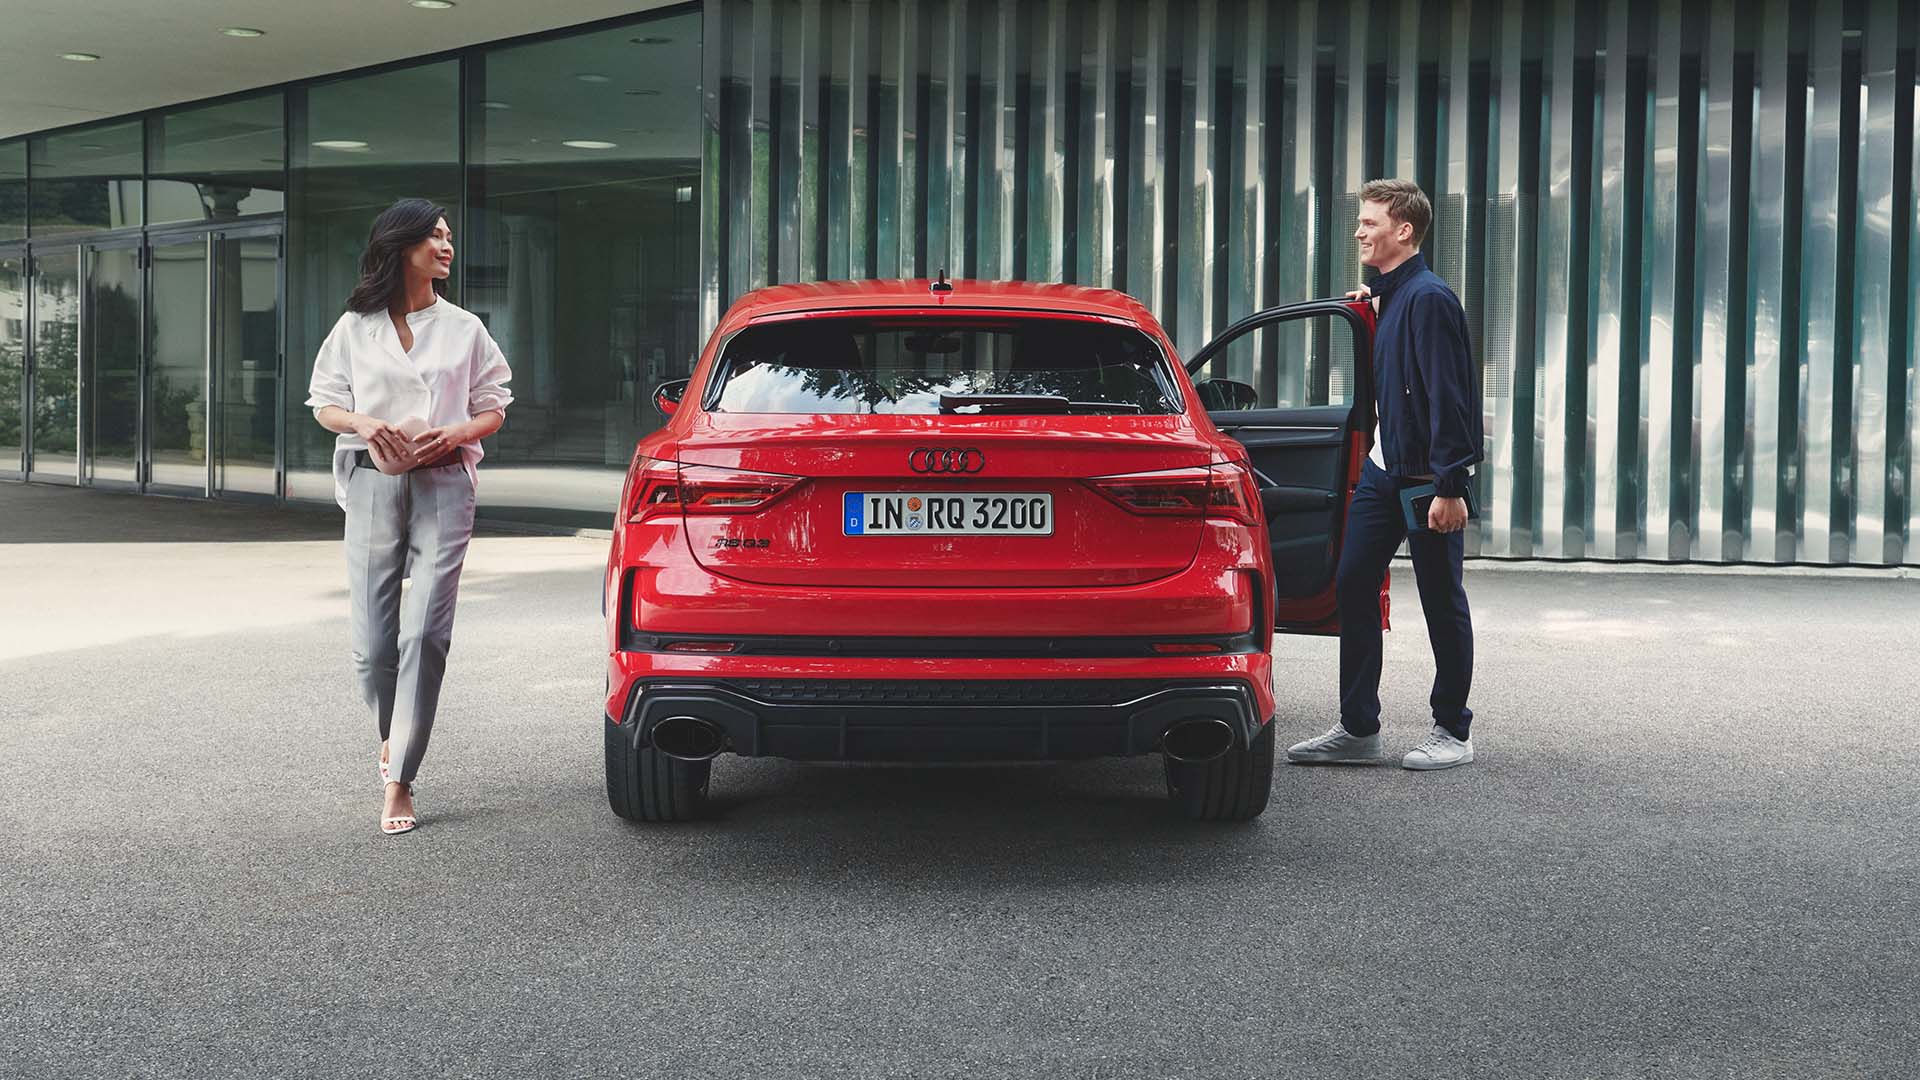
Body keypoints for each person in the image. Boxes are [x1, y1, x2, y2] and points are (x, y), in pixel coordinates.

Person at [306, 198, 513, 833]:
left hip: (444, 484)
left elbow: (495, 404)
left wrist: (454, 432)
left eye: (449, 237)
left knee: (424, 633)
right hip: (373, 484)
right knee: (372, 648)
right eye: (435, 237)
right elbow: (323, 403)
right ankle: (392, 734)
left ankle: (401, 779)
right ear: (402, 247)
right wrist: (363, 421)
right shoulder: (354, 325)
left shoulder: (465, 327)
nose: (447, 247)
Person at [1287, 178, 1482, 771]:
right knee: (1351, 583)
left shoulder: (1429, 299)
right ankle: (1358, 728)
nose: (1359, 231)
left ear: (1404, 230)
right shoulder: (1394, 295)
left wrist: (1451, 485)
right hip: (1382, 469)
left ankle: (1452, 729)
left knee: (1440, 598)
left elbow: (1452, 399)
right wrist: (1373, 302)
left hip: (1424, 477)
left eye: (1370, 222)